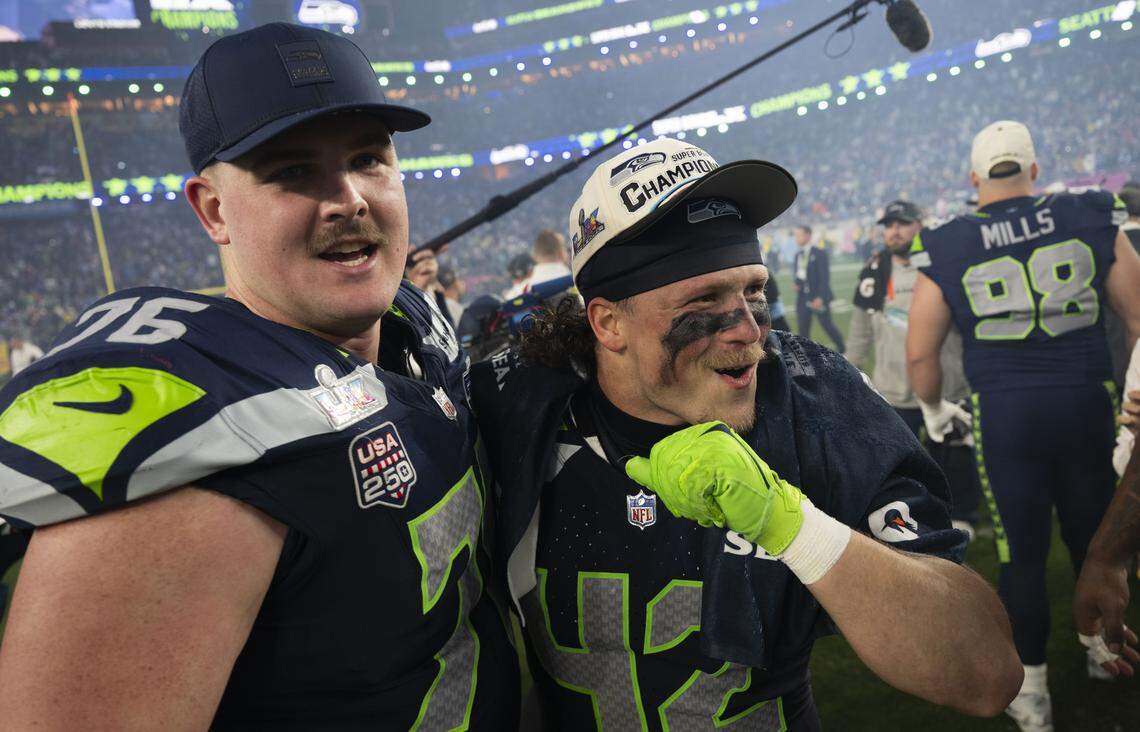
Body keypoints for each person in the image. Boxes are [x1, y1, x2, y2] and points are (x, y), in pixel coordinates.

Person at [0, 23, 517, 729]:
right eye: (293, 172)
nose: (348, 199)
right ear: (213, 210)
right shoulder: (194, 422)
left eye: (367, 158)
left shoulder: (415, 324)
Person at [471, 138, 1022, 730]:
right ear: (608, 323)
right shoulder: (513, 406)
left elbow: (984, 673)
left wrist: (792, 524)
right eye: (705, 299)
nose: (748, 331)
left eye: (754, 292)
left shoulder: (817, 400)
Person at [906, 120, 1140, 732]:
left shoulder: (950, 241)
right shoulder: (1087, 214)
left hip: (1006, 413)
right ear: (1034, 171)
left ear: (975, 178)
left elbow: (920, 355)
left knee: (1022, 556)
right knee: (1101, 542)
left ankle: (1033, 694)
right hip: (1088, 401)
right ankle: (1104, 652)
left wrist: (933, 409)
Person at [845, 199, 980, 536]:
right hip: (893, 387)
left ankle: (962, 513)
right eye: (889, 225)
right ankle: (912, 515)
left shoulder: (943, 263)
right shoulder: (874, 269)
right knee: (900, 463)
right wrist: (850, 370)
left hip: (944, 384)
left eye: (902, 223)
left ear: (920, 224)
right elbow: (861, 330)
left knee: (953, 456)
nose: (894, 231)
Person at [791, 224, 845, 352]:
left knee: (827, 325)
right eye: (796, 236)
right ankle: (807, 355)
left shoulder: (819, 253)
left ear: (808, 235)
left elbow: (824, 278)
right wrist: (797, 283)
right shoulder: (798, 255)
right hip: (803, 297)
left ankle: (842, 348)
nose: (796, 238)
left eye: (799, 235)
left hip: (817, 297)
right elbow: (801, 274)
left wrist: (820, 297)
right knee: (803, 328)